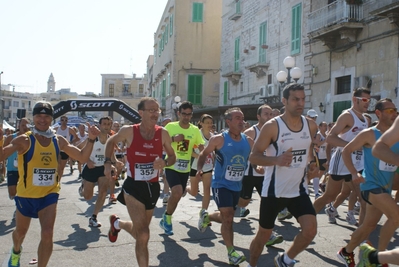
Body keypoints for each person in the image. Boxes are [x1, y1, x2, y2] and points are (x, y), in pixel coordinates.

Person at [1, 101, 100, 267]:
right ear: (34, 117)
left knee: (47, 233)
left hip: (49, 195)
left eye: (46, 116)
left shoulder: (58, 140)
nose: (42, 119)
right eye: (39, 115)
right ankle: (16, 252)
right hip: (26, 195)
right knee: (20, 232)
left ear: (51, 118)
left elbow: (82, 157)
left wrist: (91, 139)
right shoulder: (24, 140)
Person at [248, 83, 318, 267]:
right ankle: (252, 264)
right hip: (274, 192)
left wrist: (311, 164)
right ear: (285, 101)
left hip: (298, 190)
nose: (300, 103)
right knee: (263, 236)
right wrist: (276, 160)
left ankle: (285, 259)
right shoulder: (273, 126)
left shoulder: (310, 125)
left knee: (310, 230)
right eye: (295, 99)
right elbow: (254, 156)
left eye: (303, 99)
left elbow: (309, 151)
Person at [104, 97, 176, 267]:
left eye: (157, 110)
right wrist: (108, 163)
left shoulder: (162, 133)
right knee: (143, 234)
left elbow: (172, 156)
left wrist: (165, 162)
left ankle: (117, 223)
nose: (155, 113)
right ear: (141, 113)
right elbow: (110, 141)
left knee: (140, 232)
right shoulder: (129, 131)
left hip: (152, 187)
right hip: (133, 186)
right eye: (151, 110)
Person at [336, 98, 398, 267]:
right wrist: (354, 173)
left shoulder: (396, 135)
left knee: (368, 226)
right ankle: (379, 259)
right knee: (396, 216)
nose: (395, 113)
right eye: (390, 110)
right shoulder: (369, 134)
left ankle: (346, 251)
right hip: (371, 185)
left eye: (396, 110)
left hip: (385, 188)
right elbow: (346, 151)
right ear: (378, 113)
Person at [196, 107, 254, 265]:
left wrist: (261, 166)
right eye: (237, 118)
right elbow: (203, 154)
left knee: (226, 216)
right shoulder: (219, 139)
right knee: (228, 218)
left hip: (237, 184)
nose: (241, 121)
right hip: (220, 184)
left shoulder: (248, 141)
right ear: (228, 122)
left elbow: (256, 156)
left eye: (242, 118)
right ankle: (231, 252)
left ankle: (207, 216)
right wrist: (200, 169)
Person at [313, 88, 370, 226]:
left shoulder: (365, 120)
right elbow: (330, 138)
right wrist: (351, 146)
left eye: (369, 100)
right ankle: (307, 217)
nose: (367, 103)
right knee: (329, 196)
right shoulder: (347, 116)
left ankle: (362, 238)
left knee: (363, 200)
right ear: (355, 99)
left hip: (357, 163)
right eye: (364, 99)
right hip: (341, 162)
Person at [159, 101, 204, 236]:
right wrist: (173, 139)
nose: (186, 117)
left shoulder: (194, 130)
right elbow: (159, 144)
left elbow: (200, 146)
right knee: (178, 192)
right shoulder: (170, 127)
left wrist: (206, 152)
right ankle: (167, 219)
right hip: (171, 165)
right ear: (178, 114)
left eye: (189, 115)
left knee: (178, 195)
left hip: (185, 168)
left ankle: (166, 216)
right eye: (184, 114)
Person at [78, 116, 120, 227]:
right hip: (91, 168)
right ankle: (82, 188)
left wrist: (115, 164)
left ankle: (94, 217)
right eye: (104, 124)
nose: (106, 126)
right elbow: (78, 150)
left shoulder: (111, 139)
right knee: (88, 197)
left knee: (102, 193)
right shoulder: (92, 138)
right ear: (100, 125)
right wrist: (87, 160)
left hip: (103, 168)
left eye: (108, 124)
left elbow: (111, 154)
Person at [186, 114, 214, 231]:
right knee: (193, 192)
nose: (209, 124)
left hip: (207, 167)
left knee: (207, 189)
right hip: (195, 166)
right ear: (201, 123)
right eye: (206, 122)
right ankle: (185, 188)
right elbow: (189, 150)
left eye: (210, 122)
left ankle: (204, 214)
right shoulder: (197, 134)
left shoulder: (213, 137)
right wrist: (199, 156)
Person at [4, 118, 30, 203]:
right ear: (19, 126)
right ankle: (18, 203)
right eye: (23, 125)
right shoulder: (10, 138)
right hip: (12, 168)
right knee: (12, 192)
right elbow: (3, 152)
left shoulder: (31, 138)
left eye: (27, 125)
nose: (25, 127)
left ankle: (19, 208)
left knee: (24, 191)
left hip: (26, 169)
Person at [53, 115, 79, 180]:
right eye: (62, 120)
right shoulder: (56, 129)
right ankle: (55, 180)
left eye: (65, 120)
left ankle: (58, 181)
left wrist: (69, 143)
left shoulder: (69, 129)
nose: (64, 122)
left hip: (65, 151)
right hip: (57, 150)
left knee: (61, 168)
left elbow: (77, 138)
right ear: (60, 121)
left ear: (67, 121)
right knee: (56, 167)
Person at [160, 117, 172, 205]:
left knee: (166, 175)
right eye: (166, 122)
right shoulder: (159, 131)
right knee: (163, 175)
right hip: (160, 155)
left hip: (171, 155)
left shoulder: (173, 131)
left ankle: (166, 194)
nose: (168, 123)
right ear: (163, 123)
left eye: (170, 122)